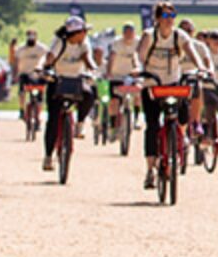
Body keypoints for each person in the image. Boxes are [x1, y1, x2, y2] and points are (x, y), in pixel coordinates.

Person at [136, 2, 209, 188]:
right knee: (152, 126)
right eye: (166, 17)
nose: (170, 21)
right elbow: (140, 55)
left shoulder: (179, 36)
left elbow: (192, 53)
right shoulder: (149, 35)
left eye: (172, 16)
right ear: (158, 18)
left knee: (182, 114)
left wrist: (201, 68)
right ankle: (151, 169)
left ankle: (180, 138)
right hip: (153, 84)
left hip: (173, 83)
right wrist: (138, 69)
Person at [39, 16, 101, 171]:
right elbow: (50, 57)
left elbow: (87, 58)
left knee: (89, 95)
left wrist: (93, 69)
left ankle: (80, 123)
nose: (86, 34)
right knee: (53, 120)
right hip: (58, 80)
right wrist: (45, 69)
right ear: (76, 33)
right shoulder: (60, 42)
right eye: (84, 31)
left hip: (76, 80)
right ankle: (48, 156)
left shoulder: (84, 43)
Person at [101, 22, 141, 139]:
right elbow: (112, 57)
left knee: (138, 93)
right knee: (114, 101)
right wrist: (109, 73)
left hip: (132, 75)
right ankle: (113, 125)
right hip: (116, 75)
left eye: (131, 33)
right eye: (126, 33)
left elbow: (139, 58)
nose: (129, 35)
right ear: (123, 33)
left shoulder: (138, 42)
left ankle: (137, 118)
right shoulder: (117, 42)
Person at [10, 30, 49, 123]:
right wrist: (15, 75)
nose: (31, 40)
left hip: (38, 74)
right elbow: (15, 61)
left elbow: (48, 59)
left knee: (40, 96)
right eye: (29, 37)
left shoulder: (42, 48)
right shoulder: (21, 49)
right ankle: (22, 109)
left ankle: (38, 115)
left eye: (33, 37)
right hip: (25, 73)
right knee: (22, 92)